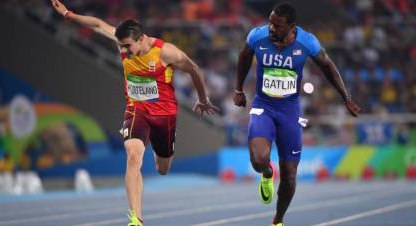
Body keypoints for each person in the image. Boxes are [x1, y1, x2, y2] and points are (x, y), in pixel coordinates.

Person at [51, 1, 219, 225]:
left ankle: (163, 148)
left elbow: (194, 69)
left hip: (164, 114)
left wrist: (202, 98)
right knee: (133, 156)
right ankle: (136, 219)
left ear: (141, 39)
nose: (123, 51)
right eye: (120, 46)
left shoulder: (166, 52)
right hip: (136, 109)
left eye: (127, 47)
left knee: (162, 168)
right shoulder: (125, 41)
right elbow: (99, 25)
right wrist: (69, 15)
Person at [233, 3, 360, 226]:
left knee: (290, 174)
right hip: (263, 106)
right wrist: (239, 89)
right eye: (270, 21)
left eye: (277, 25)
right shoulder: (257, 36)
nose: (271, 27)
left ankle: (278, 220)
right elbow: (244, 58)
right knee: (258, 160)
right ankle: (266, 173)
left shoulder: (307, 42)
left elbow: (328, 67)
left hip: (289, 111)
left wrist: (345, 97)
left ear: (291, 26)